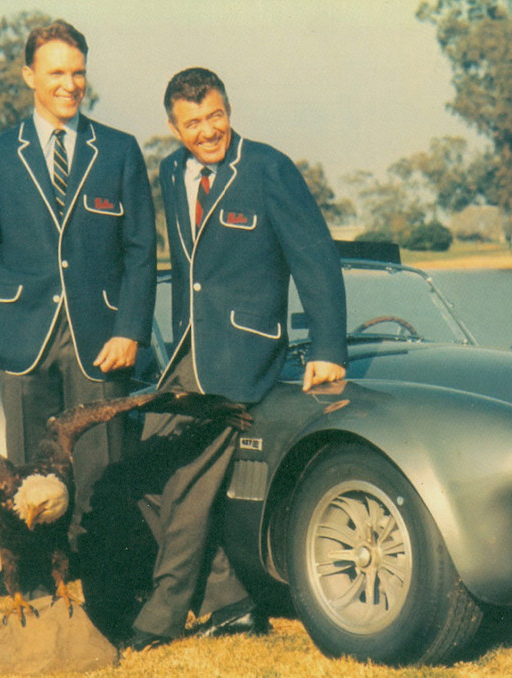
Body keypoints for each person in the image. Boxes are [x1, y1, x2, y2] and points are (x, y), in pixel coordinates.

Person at [127, 67, 348, 650]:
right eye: (193, 122)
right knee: (140, 471)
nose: (208, 131)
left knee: (187, 485)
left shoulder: (268, 168)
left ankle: (163, 613)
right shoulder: (171, 172)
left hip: (242, 355)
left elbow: (316, 260)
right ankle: (229, 601)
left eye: (216, 116)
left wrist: (328, 349)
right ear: (173, 128)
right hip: (184, 353)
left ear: (230, 109)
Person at [0, 20, 156, 555]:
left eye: (78, 73)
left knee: (103, 475)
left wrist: (131, 328)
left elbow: (142, 249)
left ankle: (107, 603)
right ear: (29, 76)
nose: (69, 84)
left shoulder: (118, 150)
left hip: (102, 340)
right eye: (56, 73)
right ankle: (41, 602)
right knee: (29, 485)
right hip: (23, 342)